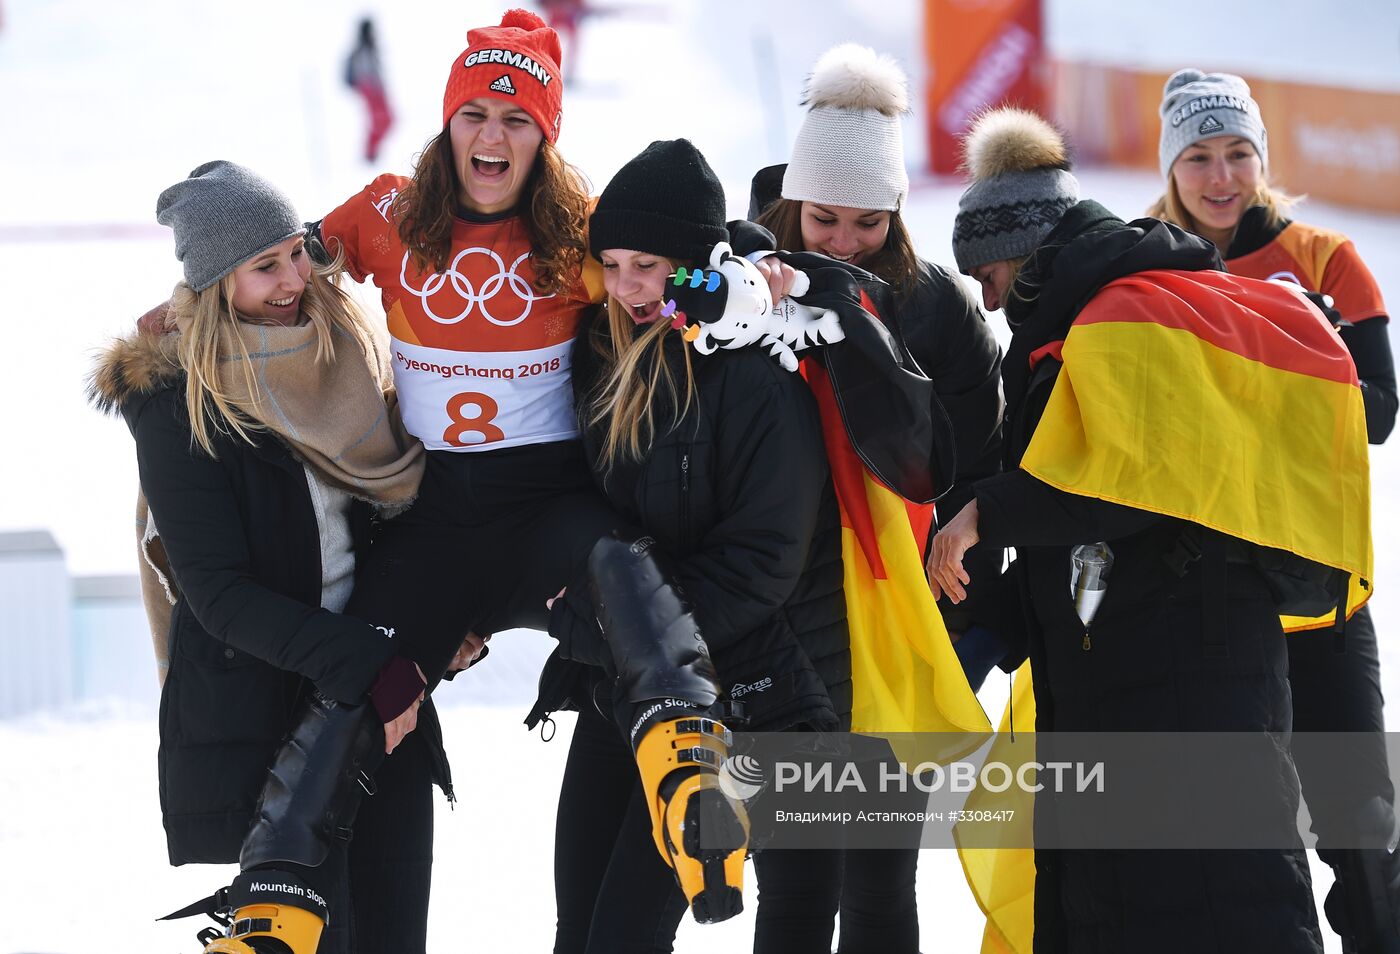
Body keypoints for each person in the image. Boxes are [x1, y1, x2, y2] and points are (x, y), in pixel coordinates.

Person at [306, 9, 800, 931]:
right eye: (475, 114)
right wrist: (190, 307)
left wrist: (754, 265)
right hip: (434, 515)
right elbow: (285, 266)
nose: (492, 135)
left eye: (517, 118)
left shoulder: (578, 238)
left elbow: (679, 241)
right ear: (447, 123)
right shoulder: (383, 214)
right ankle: (283, 901)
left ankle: (691, 774)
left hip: (548, 510)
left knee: (627, 577)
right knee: (361, 689)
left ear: (545, 136)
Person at [929, 107, 1374, 952]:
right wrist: (987, 624)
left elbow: (1129, 484)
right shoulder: (1077, 324)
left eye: (985, 275)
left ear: (1019, 250)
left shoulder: (1131, 310)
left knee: (1226, 906)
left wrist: (989, 510)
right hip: (1124, 666)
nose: (987, 300)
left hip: (1191, 677)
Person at [90, 161, 461, 954]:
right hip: (271, 716)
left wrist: (442, 620)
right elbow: (218, 597)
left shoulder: (343, 349)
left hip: (379, 705)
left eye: (296, 252)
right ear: (218, 283)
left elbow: (400, 514)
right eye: (265, 267)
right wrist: (369, 663)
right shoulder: (176, 403)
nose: (295, 278)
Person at [525, 137, 849, 954]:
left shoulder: (757, 375)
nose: (629, 287)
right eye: (614, 264)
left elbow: (760, 567)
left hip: (729, 698)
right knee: (580, 935)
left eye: (650, 265)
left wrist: (614, 625)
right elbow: (573, 510)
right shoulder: (601, 352)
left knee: (624, 938)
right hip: (617, 693)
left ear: (699, 266)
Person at [750, 43, 1005, 952]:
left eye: (868, 223)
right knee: (791, 891)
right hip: (780, 630)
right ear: (790, 204)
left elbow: (985, 455)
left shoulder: (933, 306)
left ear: (896, 215)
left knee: (881, 886)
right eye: (823, 220)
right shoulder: (740, 298)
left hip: (896, 628)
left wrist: (967, 536)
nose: (845, 244)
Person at [1149, 68, 1399, 953]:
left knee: (1364, 829)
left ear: (1263, 156)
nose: (1221, 179)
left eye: (1238, 154)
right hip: (1210, 600)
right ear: (1171, 166)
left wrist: (1299, 341)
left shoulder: (1328, 258)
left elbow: (1377, 414)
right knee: (1239, 846)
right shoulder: (1149, 265)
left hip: (1325, 589)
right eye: (1200, 158)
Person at [344, 17, 394, 163]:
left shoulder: (367, 47)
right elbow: (367, 71)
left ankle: (371, 151)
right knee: (381, 120)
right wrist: (374, 89)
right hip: (371, 88)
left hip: (373, 88)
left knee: (385, 120)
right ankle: (370, 153)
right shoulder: (364, 49)